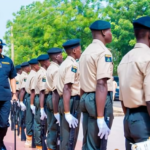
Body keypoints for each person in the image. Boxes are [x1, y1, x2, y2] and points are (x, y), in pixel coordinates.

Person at [79, 20, 113, 149]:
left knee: (88, 141)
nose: (111, 34)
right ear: (104, 32)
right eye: (110, 31)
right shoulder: (103, 52)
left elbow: (82, 81)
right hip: (98, 100)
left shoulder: (85, 53)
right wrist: (100, 117)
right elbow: (101, 84)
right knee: (98, 144)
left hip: (86, 98)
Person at [118, 16, 150, 150]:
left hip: (129, 119)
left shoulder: (125, 58)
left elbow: (122, 98)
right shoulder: (148, 57)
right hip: (144, 120)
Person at [57, 39, 81, 150]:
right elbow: (67, 88)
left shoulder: (64, 64)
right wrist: (67, 112)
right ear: (75, 50)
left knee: (65, 136)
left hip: (65, 101)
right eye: (80, 49)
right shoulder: (72, 65)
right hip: (71, 102)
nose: (81, 52)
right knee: (70, 137)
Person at [0, 39, 17, 149]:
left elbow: (12, 78)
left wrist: (14, 93)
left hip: (5, 97)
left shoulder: (7, 61)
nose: (0, 48)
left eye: (1, 47)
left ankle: (0, 141)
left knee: (4, 123)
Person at [46, 48, 63, 150]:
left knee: (51, 125)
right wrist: (56, 111)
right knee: (54, 127)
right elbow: (56, 91)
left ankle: (50, 146)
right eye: (61, 55)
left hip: (50, 97)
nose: (62, 57)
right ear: (56, 57)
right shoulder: (56, 69)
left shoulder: (50, 68)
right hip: (54, 98)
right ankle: (51, 147)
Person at [34, 54, 50, 150]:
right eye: (48, 61)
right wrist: (42, 108)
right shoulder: (43, 73)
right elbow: (42, 91)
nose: (49, 63)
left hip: (39, 98)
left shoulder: (39, 72)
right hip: (41, 99)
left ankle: (39, 144)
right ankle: (40, 145)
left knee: (38, 122)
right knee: (41, 123)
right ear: (44, 62)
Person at [25, 59, 40, 147]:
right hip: (32, 98)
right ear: (34, 66)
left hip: (29, 97)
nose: (39, 66)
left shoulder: (30, 74)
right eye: (38, 65)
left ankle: (29, 140)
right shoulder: (34, 75)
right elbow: (33, 91)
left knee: (29, 119)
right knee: (33, 119)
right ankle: (31, 141)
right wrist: (31, 104)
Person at [19, 62, 31, 140]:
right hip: (25, 97)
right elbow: (23, 90)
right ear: (25, 68)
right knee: (25, 117)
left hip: (24, 98)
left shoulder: (23, 75)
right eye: (28, 67)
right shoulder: (25, 77)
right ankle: (26, 136)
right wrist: (21, 101)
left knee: (24, 116)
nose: (29, 68)